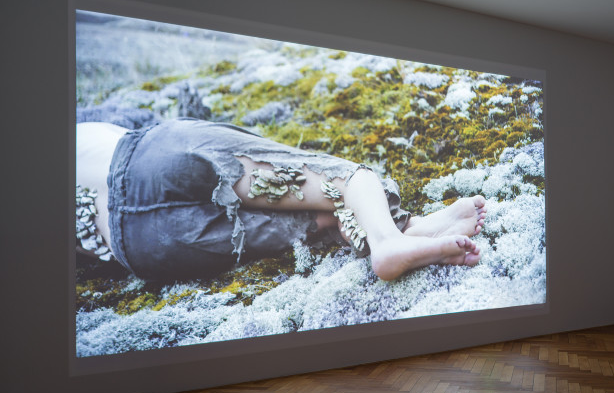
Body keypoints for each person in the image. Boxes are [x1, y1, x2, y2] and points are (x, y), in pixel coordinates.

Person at [76, 119, 485, 282]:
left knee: (318, 223)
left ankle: (413, 232)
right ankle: (391, 239)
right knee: (336, 182)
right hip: (150, 157)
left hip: (141, 247)